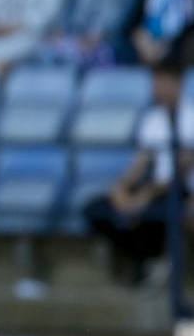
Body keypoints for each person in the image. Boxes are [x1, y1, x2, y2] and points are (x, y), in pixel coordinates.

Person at [83, 61, 193, 285]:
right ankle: (142, 259)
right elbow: (141, 161)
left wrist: (145, 195)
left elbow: (183, 167)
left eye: (163, 82)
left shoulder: (191, 118)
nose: (158, 88)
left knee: (160, 209)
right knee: (98, 209)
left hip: (181, 190)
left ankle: (157, 262)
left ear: (178, 83)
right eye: (155, 82)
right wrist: (121, 189)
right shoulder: (153, 119)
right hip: (155, 187)